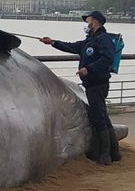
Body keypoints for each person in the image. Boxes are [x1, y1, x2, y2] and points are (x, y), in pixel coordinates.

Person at [40, 11, 119, 165]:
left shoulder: (104, 40)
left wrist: (88, 69)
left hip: (98, 83)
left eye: (87, 20)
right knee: (102, 115)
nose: (85, 24)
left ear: (94, 22)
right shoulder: (90, 41)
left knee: (98, 117)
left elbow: (107, 58)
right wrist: (52, 42)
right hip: (90, 84)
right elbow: (72, 46)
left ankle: (104, 155)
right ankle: (114, 152)